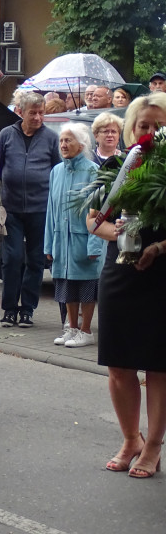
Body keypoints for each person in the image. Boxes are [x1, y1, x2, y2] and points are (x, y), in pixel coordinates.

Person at [87, 93, 166, 478]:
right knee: (118, 364)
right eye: (144, 125)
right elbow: (93, 219)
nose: (151, 132)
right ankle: (130, 438)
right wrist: (114, 234)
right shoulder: (120, 165)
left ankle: (153, 447)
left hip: (162, 275)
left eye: (159, 125)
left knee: (158, 367)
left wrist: (158, 246)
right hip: (120, 271)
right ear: (132, 128)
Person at [0, 91, 60, 328]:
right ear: (20, 112)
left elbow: (57, 169)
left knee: (35, 259)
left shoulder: (51, 138)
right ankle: (9, 309)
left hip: (40, 208)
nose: (38, 117)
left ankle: (27, 310)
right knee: (12, 259)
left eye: (41, 112)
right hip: (10, 207)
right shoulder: (6, 135)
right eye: (33, 112)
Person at [44, 123, 103, 349]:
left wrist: (94, 246)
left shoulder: (92, 171)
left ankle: (86, 330)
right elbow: (51, 210)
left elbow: (98, 212)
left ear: (81, 144)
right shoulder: (56, 171)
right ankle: (72, 327)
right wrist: (48, 244)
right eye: (61, 141)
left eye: (68, 140)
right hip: (61, 240)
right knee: (67, 285)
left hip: (83, 240)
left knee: (86, 287)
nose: (63, 145)